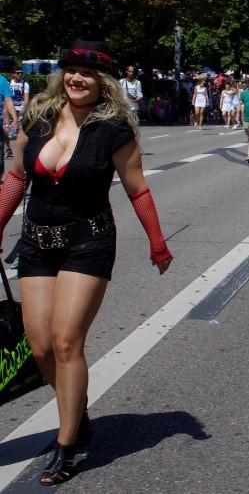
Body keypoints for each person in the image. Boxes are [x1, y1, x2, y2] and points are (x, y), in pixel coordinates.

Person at [0, 39, 172, 485]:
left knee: (65, 342)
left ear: (103, 81)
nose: (78, 78)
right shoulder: (39, 117)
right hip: (37, 243)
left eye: (88, 73)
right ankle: (78, 411)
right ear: (63, 75)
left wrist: (157, 243)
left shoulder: (113, 129)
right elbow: (16, 177)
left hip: (88, 243)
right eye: (71, 70)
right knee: (38, 347)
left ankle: (67, 444)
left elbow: (138, 188)